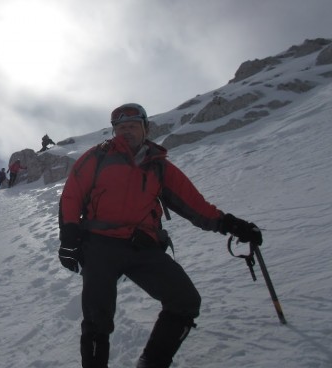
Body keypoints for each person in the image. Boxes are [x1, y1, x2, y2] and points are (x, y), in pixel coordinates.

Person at [58, 103, 263, 368]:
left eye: (132, 126)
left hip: (142, 246)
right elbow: (72, 196)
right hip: (99, 244)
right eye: (120, 128)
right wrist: (69, 240)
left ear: (145, 128)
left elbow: (194, 205)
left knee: (185, 301)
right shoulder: (96, 157)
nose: (126, 132)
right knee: (97, 319)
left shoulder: (159, 166)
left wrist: (232, 225)